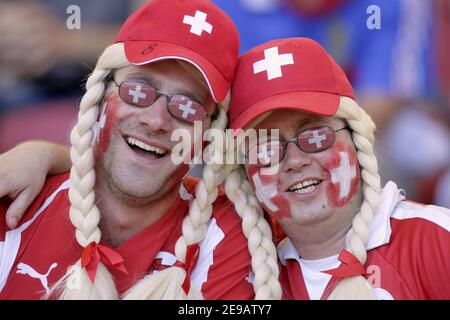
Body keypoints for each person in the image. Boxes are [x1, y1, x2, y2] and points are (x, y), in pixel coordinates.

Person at [0, 0, 281, 300]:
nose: (156, 120)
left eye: (187, 107)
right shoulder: (19, 201)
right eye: (138, 91)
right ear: (100, 98)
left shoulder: (229, 236)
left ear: (210, 135)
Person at [224, 38, 450, 299]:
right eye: (266, 149)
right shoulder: (240, 278)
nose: (296, 161)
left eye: (316, 136)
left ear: (357, 140)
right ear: (245, 172)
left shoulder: (436, 239)